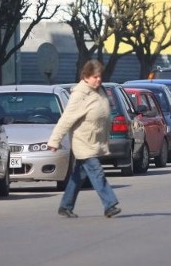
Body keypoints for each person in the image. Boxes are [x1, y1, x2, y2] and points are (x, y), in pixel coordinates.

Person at [47, 60, 121, 218]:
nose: (98, 80)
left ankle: (65, 206)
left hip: (95, 140)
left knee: (78, 175)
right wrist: (55, 140)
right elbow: (66, 118)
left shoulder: (99, 90)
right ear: (85, 77)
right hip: (84, 142)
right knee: (97, 172)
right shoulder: (80, 94)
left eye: (100, 76)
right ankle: (110, 204)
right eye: (95, 77)